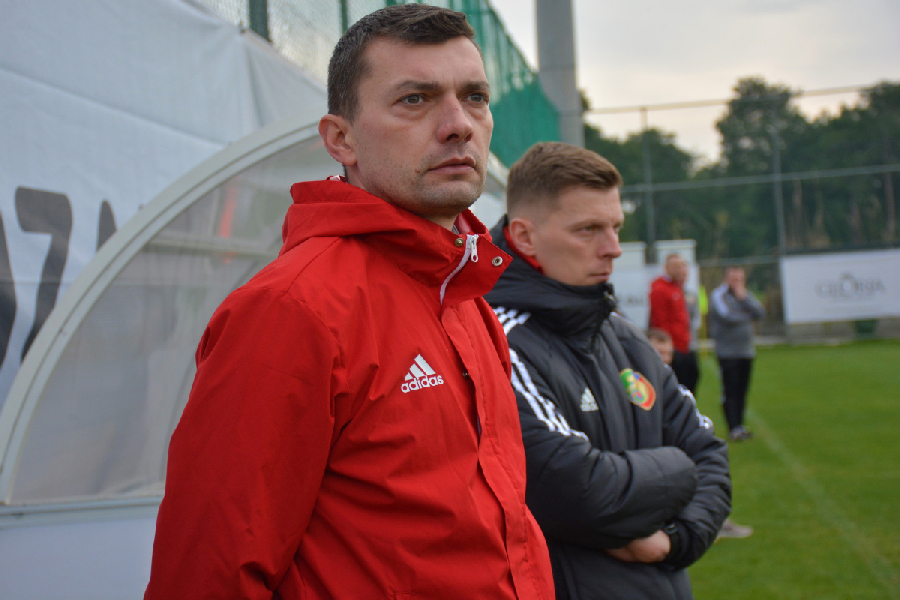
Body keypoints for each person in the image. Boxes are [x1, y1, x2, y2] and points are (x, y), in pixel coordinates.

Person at [144, 5, 554, 599]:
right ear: (341, 139)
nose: (458, 125)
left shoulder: (466, 297)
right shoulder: (291, 310)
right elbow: (208, 574)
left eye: (474, 97)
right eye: (415, 99)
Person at [485, 141, 731, 600]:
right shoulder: (498, 342)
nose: (613, 248)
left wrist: (673, 542)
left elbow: (711, 457)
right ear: (524, 237)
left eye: (615, 227)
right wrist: (679, 467)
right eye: (589, 230)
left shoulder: (624, 336)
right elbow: (580, 491)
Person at [648, 326, 753, 540]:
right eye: (659, 353)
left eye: (668, 353)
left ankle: (713, 521)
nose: (665, 358)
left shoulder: (670, 382)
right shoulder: (639, 384)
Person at [707, 266, 766, 442]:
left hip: (746, 351)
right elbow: (726, 316)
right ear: (726, 279)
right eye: (733, 279)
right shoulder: (718, 295)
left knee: (742, 390)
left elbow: (760, 313)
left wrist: (744, 299)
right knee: (730, 390)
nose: (736, 282)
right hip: (727, 352)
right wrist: (748, 315)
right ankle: (733, 427)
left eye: (739, 279)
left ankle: (740, 425)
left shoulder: (746, 295)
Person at [649, 253, 701, 395]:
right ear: (667, 268)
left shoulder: (678, 288)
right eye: (676, 267)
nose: (681, 270)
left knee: (692, 378)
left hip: (685, 345)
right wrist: (669, 348)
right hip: (675, 349)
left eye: (683, 266)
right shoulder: (660, 289)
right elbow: (660, 322)